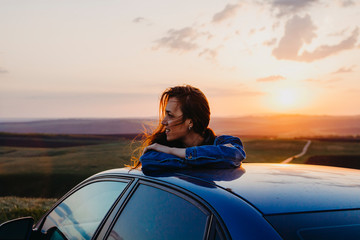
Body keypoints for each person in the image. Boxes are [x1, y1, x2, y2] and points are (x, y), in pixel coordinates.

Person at [134, 85, 246, 173]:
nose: (163, 122)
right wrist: (211, 160)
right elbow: (149, 161)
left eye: (170, 115)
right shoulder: (159, 147)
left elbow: (234, 155)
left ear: (190, 121)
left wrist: (172, 151)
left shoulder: (225, 142)